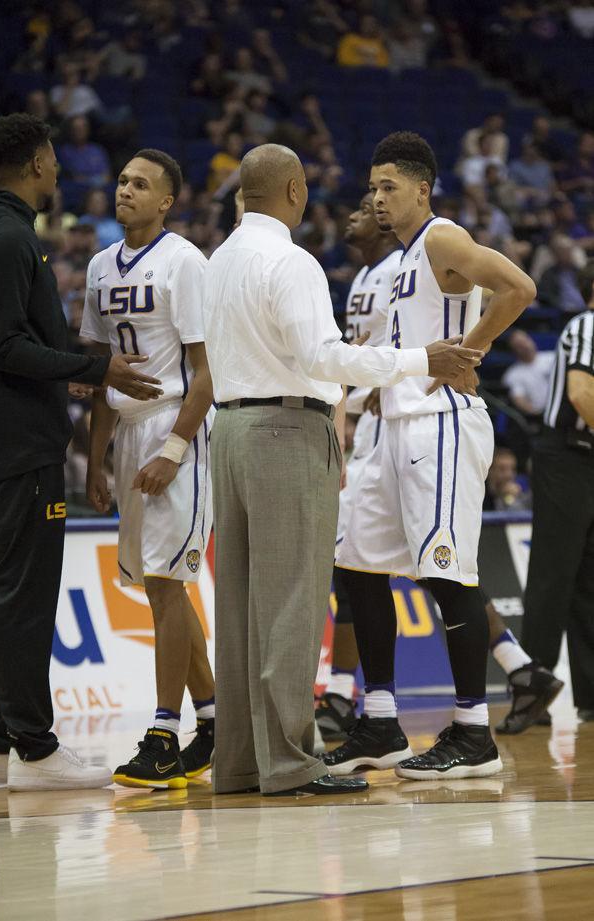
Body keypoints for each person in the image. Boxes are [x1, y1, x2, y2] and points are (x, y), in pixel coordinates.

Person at [203, 142, 483, 796]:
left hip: (229, 430)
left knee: (241, 608)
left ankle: (242, 763)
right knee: (293, 605)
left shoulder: (216, 262)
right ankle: (293, 762)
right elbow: (323, 356)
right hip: (283, 429)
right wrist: (422, 360)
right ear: (295, 191)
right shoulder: (291, 260)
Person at [0, 113, 161, 792]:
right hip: (18, 441)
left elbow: (16, 341)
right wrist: (99, 369)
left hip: (9, 438)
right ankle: (37, 748)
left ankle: (7, 740)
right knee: (25, 595)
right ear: (40, 162)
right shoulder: (8, 237)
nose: (59, 169)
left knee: (14, 591)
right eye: (54, 158)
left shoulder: (1, 231)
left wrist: (87, 360)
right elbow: (6, 348)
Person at [332, 131, 536, 780]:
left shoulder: (442, 237)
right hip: (393, 427)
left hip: (439, 426)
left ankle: (474, 732)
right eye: (373, 188)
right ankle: (382, 719)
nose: (378, 198)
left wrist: (468, 352)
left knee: (447, 576)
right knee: (357, 564)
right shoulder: (398, 260)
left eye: (389, 187)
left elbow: (519, 287)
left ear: (422, 188)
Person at [82, 148, 217, 789]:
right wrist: (97, 456)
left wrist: (174, 450)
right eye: (122, 179)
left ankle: (164, 733)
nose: (126, 189)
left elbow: (207, 373)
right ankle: (215, 718)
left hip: (174, 429)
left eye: (141, 184)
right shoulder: (99, 266)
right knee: (162, 588)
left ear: (167, 201)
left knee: (165, 583)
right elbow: (103, 368)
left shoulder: (185, 261)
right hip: (128, 434)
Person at [316, 192, 402, 740]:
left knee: (431, 566)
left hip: (396, 424)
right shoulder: (362, 277)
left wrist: (398, 381)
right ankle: (347, 693)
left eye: (367, 206)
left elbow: (429, 332)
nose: (355, 210)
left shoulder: (402, 268)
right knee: (353, 562)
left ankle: (350, 695)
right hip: (362, 431)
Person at [522, 261, 594, 722]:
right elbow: (580, 393)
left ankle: (589, 697)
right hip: (566, 457)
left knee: (589, 578)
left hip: (586, 457)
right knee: (553, 576)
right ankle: (532, 691)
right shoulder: (587, 323)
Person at [502, 329, 555, 418]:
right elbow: (519, 399)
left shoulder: (553, 358)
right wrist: (537, 416)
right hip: (539, 416)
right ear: (514, 351)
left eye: (525, 340)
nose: (525, 346)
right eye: (519, 345)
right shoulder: (512, 375)